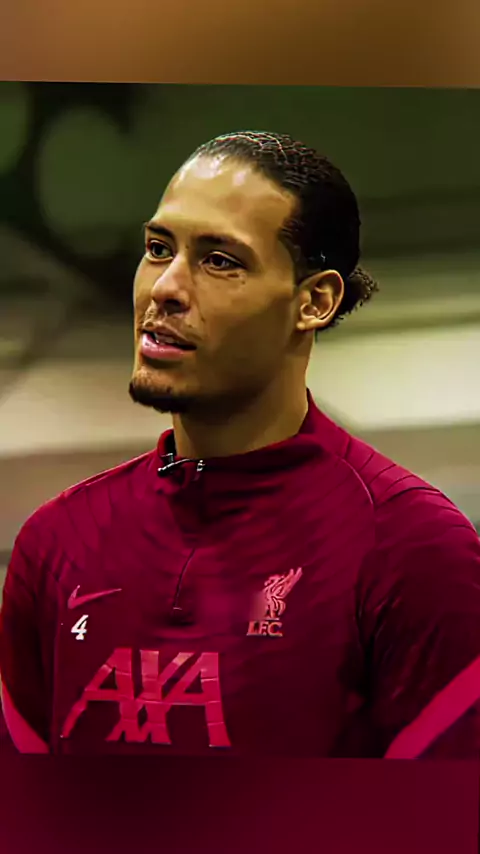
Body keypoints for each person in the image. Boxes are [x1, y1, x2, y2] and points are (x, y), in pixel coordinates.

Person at [1, 130, 480, 757]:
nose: (165, 288)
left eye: (220, 261)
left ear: (314, 301)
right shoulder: (57, 541)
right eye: (158, 249)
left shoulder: (413, 549)